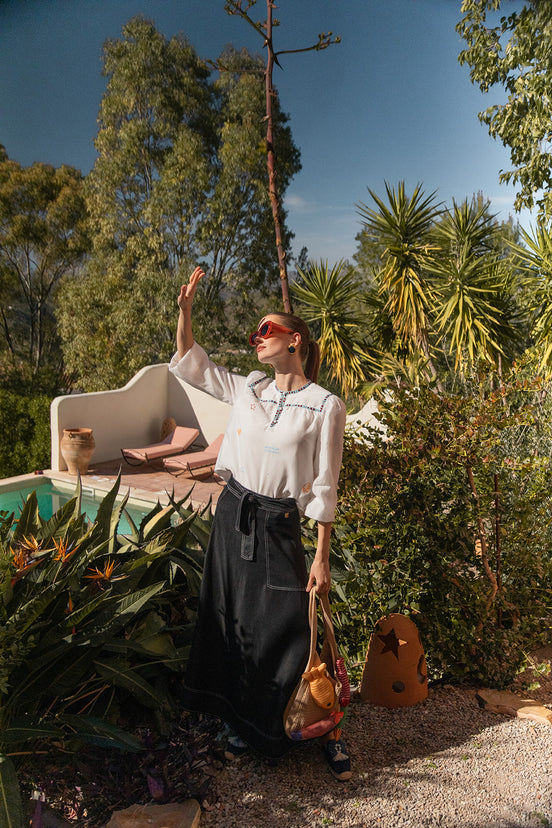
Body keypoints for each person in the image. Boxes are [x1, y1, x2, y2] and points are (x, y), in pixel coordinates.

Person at [169, 266, 350, 780]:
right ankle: (237, 721)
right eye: (254, 334)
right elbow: (191, 362)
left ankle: (317, 724)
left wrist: (320, 556)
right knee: (231, 620)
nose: (256, 339)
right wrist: (185, 312)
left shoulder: (325, 407)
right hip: (232, 514)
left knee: (291, 627)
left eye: (265, 331)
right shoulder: (247, 386)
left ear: (296, 339)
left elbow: (324, 486)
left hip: (278, 525)